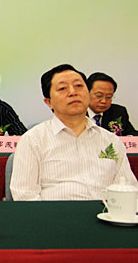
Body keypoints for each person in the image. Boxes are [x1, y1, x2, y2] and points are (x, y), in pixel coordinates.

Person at [10, 64, 138, 200]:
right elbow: (25, 195)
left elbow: (128, 189)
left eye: (79, 86)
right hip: (55, 213)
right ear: (49, 102)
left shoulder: (111, 140)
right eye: (62, 88)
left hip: (105, 212)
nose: (73, 92)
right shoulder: (33, 140)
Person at [86, 72, 137, 136]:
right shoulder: (76, 113)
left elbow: (132, 134)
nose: (104, 101)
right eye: (99, 96)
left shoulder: (118, 112)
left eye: (108, 97)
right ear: (86, 93)